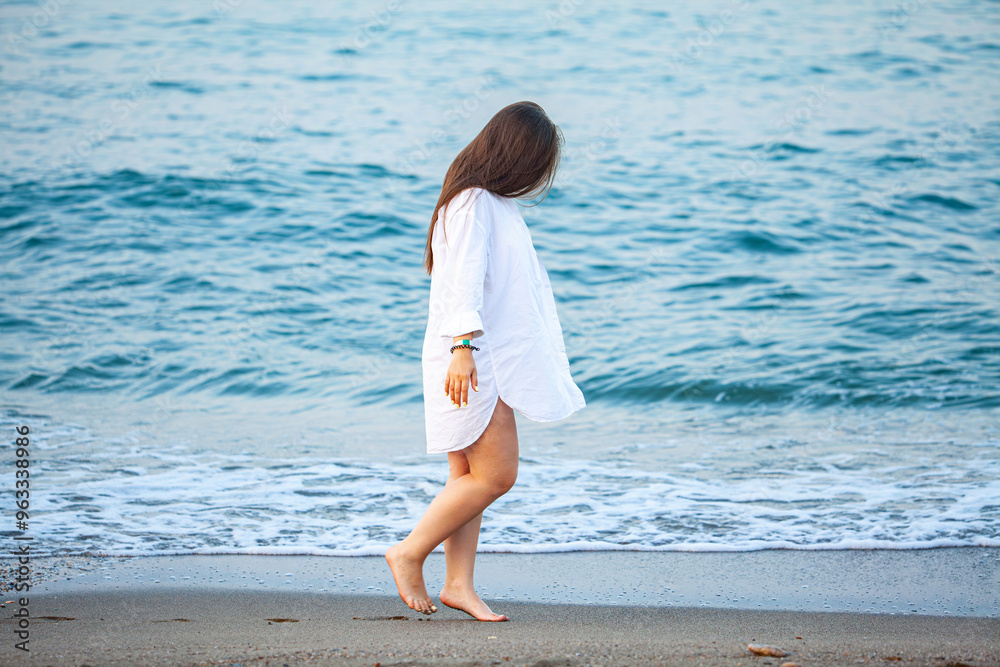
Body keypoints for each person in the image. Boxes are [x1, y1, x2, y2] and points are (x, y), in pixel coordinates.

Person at [385, 101, 587, 622]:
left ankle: (459, 585)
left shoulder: (487, 202)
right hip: (473, 356)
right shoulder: (473, 200)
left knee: (467, 475)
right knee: (497, 476)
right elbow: (463, 280)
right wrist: (463, 348)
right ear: (516, 155)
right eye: (536, 162)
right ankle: (408, 552)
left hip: (475, 353)